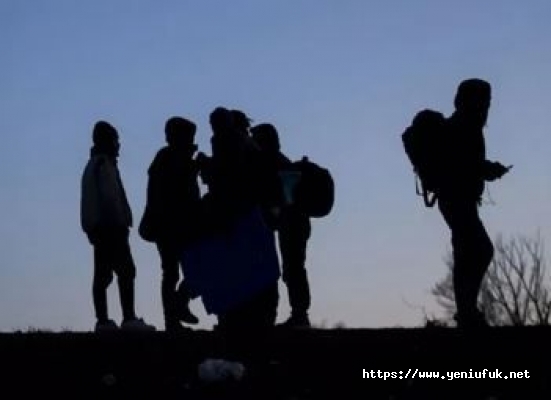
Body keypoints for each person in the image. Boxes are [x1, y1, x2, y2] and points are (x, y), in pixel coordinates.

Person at [438, 79, 511, 328]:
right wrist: (489, 169)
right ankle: (467, 311)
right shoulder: (464, 126)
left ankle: (466, 312)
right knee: (480, 250)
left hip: (457, 199)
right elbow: (464, 164)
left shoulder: (463, 125)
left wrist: (486, 170)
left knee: (466, 252)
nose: (486, 106)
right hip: (456, 199)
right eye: (483, 100)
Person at [81, 121, 155, 332]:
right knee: (126, 271)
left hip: (100, 228)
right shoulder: (103, 165)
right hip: (111, 227)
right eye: (115, 140)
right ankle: (128, 318)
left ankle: (103, 320)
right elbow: (110, 198)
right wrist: (121, 222)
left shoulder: (94, 165)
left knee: (103, 275)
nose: (119, 145)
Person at [141, 117, 201, 332]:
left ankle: (176, 310)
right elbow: (174, 193)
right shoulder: (169, 158)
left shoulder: (172, 158)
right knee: (175, 273)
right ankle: (173, 316)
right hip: (173, 227)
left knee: (188, 272)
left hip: (177, 226)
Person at [251, 123, 312, 328]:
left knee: (293, 268)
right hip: (295, 223)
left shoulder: (273, 163)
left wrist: (275, 212)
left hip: (292, 223)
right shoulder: (279, 161)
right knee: (294, 267)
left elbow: (284, 198)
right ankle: (299, 313)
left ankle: (300, 314)